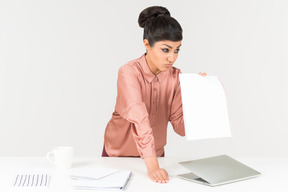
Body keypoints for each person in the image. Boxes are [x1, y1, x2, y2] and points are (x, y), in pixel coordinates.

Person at [102, 6, 206, 183]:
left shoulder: (175, 76)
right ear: (147, 45)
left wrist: (196, 96)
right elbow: (139, 118)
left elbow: (180, 128)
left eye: (177, 50)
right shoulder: (129, 72)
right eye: (165, 50)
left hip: (157, 157)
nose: (172, 58)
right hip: (119, 156)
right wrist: (152, 167)